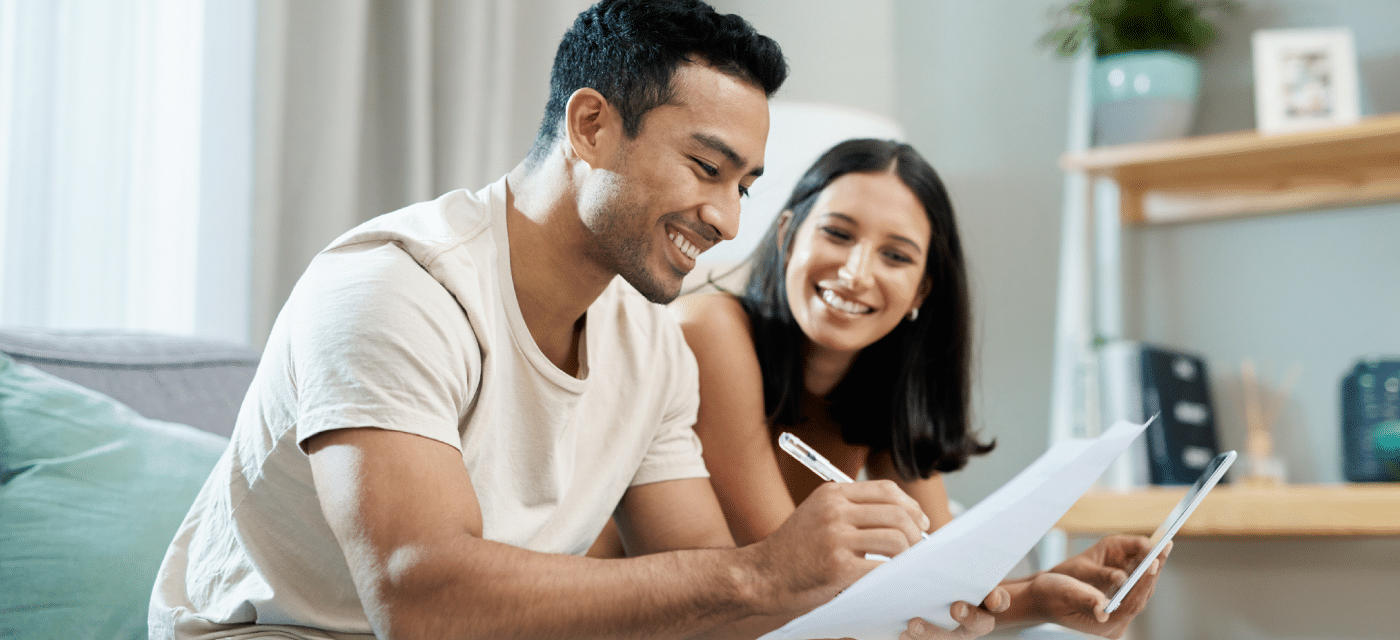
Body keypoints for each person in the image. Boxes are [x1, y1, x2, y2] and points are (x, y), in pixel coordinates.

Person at [149, 3, 1004, 639]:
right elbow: (419, 596)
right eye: (706, 168)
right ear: (592, 126)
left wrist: (886, 607)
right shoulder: (393, 288)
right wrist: (763, 573)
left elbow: (713, 597)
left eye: (743, 185)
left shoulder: (652, 350)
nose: (728, 219)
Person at [671, 138, 1169, 640]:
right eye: (838, 234)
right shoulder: (712, 328)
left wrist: (1041, 593)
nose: (856, 273)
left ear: (922, 290)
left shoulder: (882, 386)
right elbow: (794, 583)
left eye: (895, 256)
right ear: (787, 235)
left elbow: (944, 578)